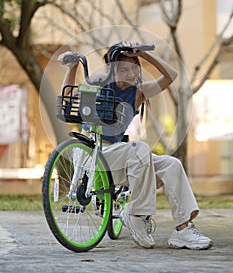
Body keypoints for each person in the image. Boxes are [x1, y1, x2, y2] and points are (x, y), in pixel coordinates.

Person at [58, 42, 213, 250]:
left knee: (171, 165)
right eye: (124, 69)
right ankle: (137, 214)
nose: (130, 74)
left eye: (134, 68)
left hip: (121, 159)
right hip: (94, 156)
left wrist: (144, 55)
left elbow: (171, 76)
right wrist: (73, 67)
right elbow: (68, 101)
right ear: (113, 69)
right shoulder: (98, 85)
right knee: (140, 148)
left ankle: (182, 229)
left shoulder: (139, 92)